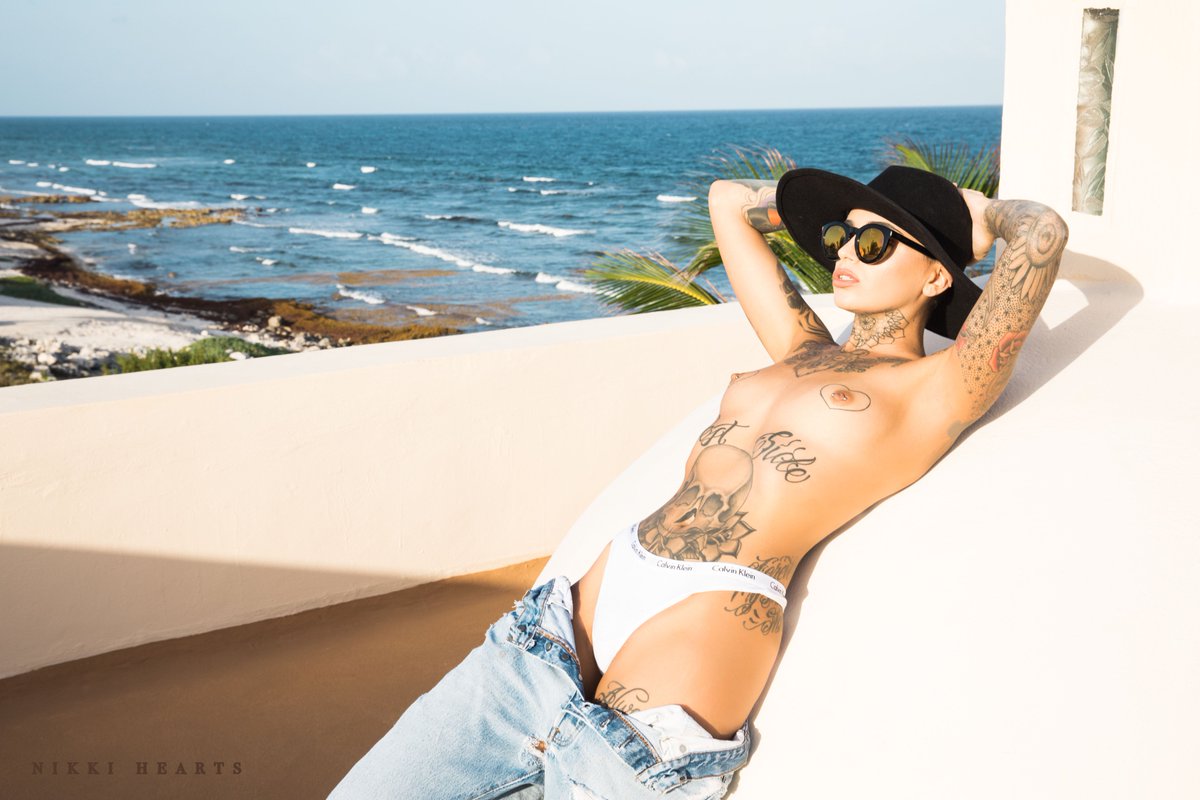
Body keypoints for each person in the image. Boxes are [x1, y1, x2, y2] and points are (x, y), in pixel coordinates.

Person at [327, 165, 1069, 799]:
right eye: (840, 237)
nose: (844, 253)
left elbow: (1042, 236)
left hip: (705, 625)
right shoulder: (800, 347)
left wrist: (985, 218)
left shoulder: (936, 389)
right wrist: (836, 210)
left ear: (936, 275)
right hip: (564, 622)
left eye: (873, 244)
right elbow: (727, 202)